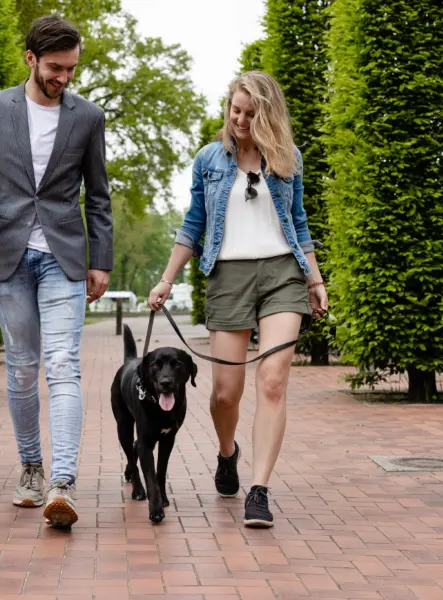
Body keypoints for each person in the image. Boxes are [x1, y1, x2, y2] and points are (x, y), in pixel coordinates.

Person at [147, 72, 327, 528]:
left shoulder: (288, 158)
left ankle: (259, 490)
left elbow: (298, 223)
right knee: (226, 393)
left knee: (273, 381)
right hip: (228, 276)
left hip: (282, 274)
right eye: (236, 110)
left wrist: (314, 279)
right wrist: (166, 279)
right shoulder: (209, 159)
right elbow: (193, 223)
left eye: (251, 113)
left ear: (268, 115)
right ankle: (228, 453)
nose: (241, 120)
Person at [0, 15, 112, 528]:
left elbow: (99, 195)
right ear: (31, 59)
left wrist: (100, 260)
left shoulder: (88, 118)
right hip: (8, 254)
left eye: (71, 69)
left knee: (63, 364)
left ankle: (62, 482)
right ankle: (30, 467)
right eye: (55, 68)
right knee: (23, 366)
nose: (63, 77)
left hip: (64, 257)